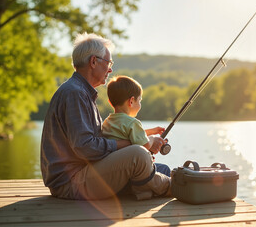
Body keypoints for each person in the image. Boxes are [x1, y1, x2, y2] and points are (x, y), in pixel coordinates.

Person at [40, 32, 170, 200]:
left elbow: (98, 140)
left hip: (86, 173)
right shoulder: (75, 94)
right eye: (108, 62)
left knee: (162, 169)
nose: (110, 69)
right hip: (71, 182)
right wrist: (136, 143)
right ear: (93, 62)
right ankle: (174, 187)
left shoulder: (81, 92)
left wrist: (143, 136)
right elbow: (86, 148)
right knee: (139, 155)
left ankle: (160, 183)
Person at [101, 76, 170, 199]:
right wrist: (154, 138)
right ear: (131, 101)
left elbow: (127, 136)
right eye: (140, 100)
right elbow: (145, 146)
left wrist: (151, 131)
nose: (140, 104)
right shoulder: (133, 123)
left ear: (111, 102)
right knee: (165, 169)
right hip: (130, 178)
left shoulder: (108, 121)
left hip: (115, 175)